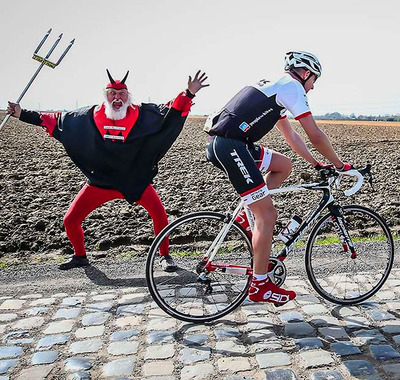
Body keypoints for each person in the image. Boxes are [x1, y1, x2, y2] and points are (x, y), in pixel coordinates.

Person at [7, 70, 209, 271]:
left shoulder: (142, 114)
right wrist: (21, 114)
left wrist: (189, 93)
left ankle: (165, 256)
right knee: (70, 220)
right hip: (101, 182)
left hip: (133, 181)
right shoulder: (87, 116)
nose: (117, 97)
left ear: (128, 97)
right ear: (106, 96)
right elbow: (53, 119)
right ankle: (80, 257)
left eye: (121, 94)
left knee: (160, 215)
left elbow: (170, 111)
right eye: (112, 93)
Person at [205, 51, 351, 305]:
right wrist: (341, 165)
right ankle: (260, 284)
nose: (313, 86)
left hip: (231, 143)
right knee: (268, 215)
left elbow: (292, 136)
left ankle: (247, 216)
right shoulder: (293, 87)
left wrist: (317, 163)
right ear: (305, 73)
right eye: (314, 79)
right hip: (231, 146)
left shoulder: (276, 87)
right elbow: (314, 135)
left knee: (283, 165)